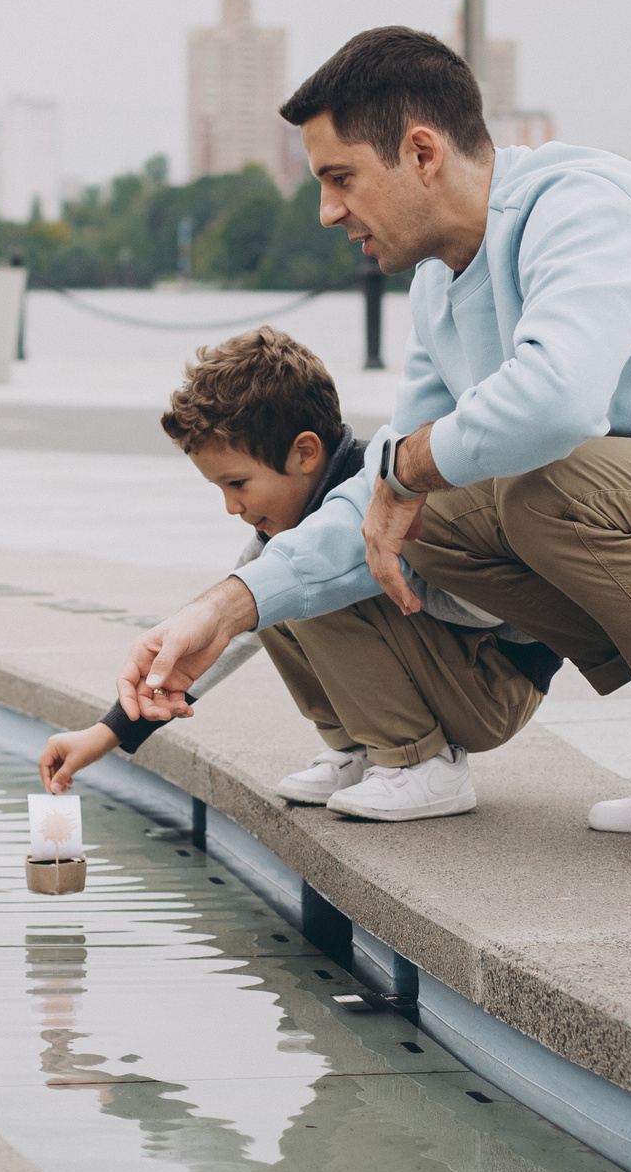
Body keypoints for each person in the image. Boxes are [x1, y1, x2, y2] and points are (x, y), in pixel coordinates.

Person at [118, 28, 631, 870]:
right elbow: (380, 504)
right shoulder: (440, 285)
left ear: (421, 152)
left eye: (341, 179)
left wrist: (404, 469)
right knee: (431, 511)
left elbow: (558, 401)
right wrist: (221, 610)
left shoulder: (578, 207)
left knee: (543, 483)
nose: (329, 211)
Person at [35, 328, 557, 821]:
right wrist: (106, 733)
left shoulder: (395, 491)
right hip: (451, 675)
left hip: (493, 681)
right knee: (261, 595)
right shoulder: (291, 533)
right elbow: (220, 638)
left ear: (305, 452)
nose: (231, 506)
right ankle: (360, 750)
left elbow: (497, 604)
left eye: (237, 482)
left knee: (300, 586)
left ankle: (422, 764)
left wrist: (397, 575)